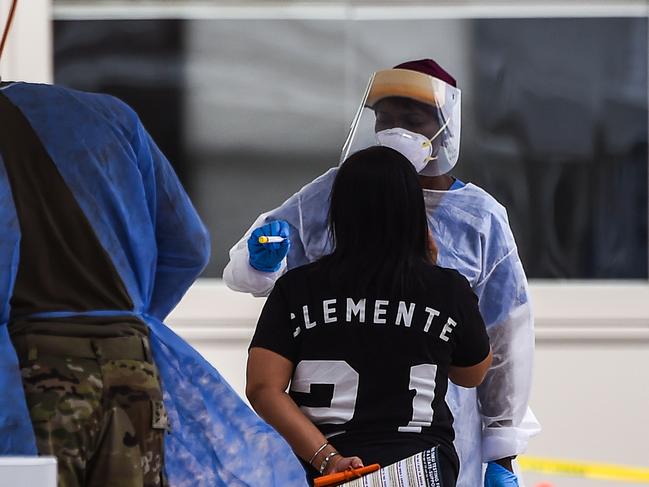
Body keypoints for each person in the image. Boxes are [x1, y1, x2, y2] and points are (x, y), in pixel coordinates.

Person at [224, 59, 540, 487]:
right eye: (385, 118)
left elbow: (510, 337)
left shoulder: (481, 219)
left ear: (444, 127)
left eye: (412, 120)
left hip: (325, 458)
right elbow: (482, 362)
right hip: (425, 462)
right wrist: (260, 262)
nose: (396, 130)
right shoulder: (328, 195)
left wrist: (503, 447)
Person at [0, 79, 307, 486]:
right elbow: (190, 246)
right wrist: (127, 321)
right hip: (134, 368)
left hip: (34, 373)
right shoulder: (111, 114)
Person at [246, 146, 493, 486]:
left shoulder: (296, 288)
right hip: (421, 471)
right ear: (413, 212)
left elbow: (263, 388)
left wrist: (328, 458)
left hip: (324, 474)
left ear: (339, 211)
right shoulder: (446, 289)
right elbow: (472, 373)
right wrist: (434, 275)